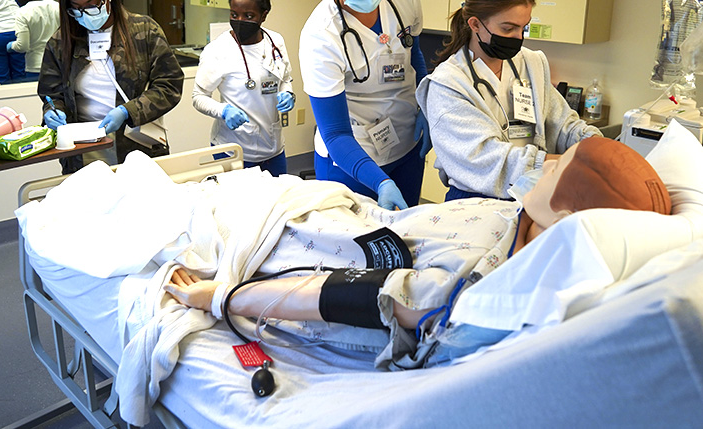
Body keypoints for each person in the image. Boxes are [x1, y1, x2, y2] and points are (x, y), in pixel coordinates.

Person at [164, 136, 671, 369]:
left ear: (569, 214)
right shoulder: (518, 217)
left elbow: (335, 296)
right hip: (340, 213)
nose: (550, 162)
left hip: (299, 239)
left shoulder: (475, 286)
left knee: (169, 205)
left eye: (560, 169)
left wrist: (220, 296)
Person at [416, 0, 602, 201]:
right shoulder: (449, 84)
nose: (517, 37)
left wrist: (593, 144)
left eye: (523, 28)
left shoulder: (531, 64)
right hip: (474, 199)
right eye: (507, 28)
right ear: (475, 24)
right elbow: (487, 158)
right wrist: (571, 161)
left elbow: (561, 123)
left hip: (534, 189)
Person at [299, 0, 431, 211]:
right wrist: (380, 182)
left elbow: (414, 55)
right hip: (352, 158)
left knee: (404, 243)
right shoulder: (320, 35)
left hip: (407, 143)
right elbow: (335, 133)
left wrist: (426, 105)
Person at [37, 0, 183, 174]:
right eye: (75, 8)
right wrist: (53, 111)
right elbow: (51, 94)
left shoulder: (144, 31)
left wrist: (127, 111)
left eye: (92, 5)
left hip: (136, 145)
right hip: (84, 148)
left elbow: (169, 86)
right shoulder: (61, 42)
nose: (84, 14)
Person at [192, 0, 295, 176]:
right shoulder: (218, 50)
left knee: (276, 203)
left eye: (248, 16)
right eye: (234, 14)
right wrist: (223, 111)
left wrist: (288, 93)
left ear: (263, 15)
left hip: (273, 149)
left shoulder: (275, 41)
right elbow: (198, 97)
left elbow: (285, 79)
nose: (239, 21)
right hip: (233, 151)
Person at [8, 0, 60, 81]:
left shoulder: (23, 12)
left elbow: (22, 46)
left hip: (35, 68)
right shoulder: (57, 7)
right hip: (57, 64)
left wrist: (11, 46)